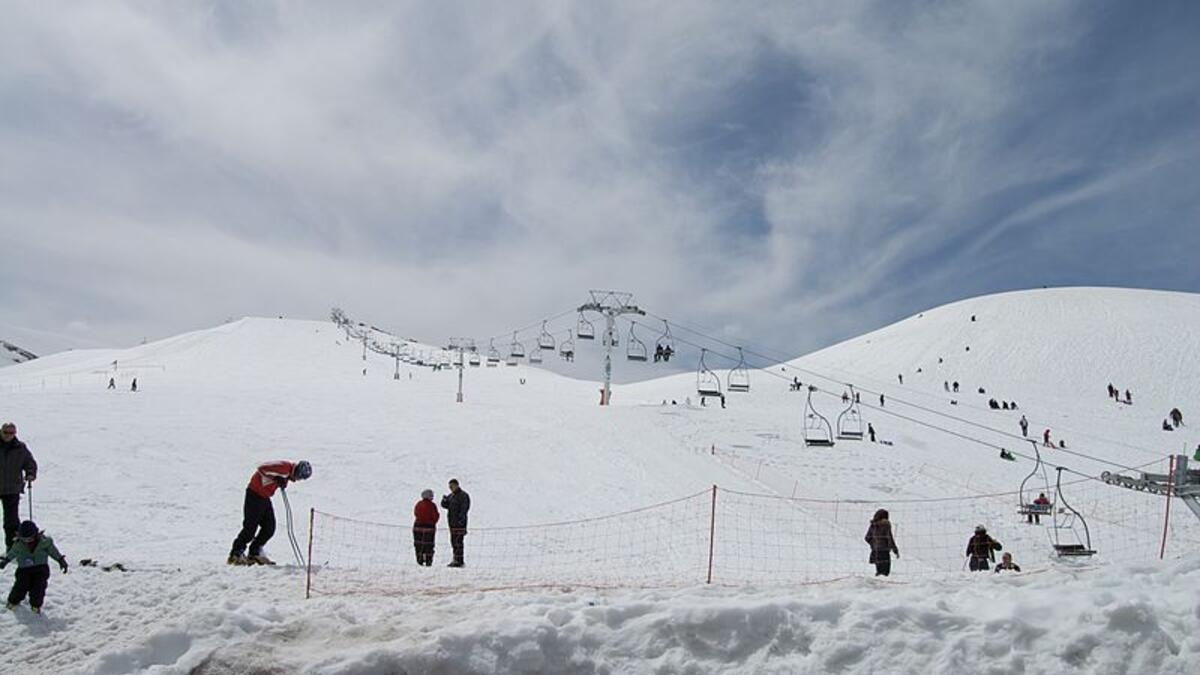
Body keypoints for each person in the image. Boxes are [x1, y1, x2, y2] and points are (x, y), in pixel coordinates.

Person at [228, 460, 313, 565]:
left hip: (264, 498)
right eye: (299, 477)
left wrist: (279, 480)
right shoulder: (284, 467)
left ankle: (255, 552)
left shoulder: (287, 474)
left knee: (269, 528)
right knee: (250, 528)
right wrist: (276, 478)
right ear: (298, 471)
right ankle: (236, 553)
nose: (297, 480)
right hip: (254, 495)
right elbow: (261, 468)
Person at [0, 520, 67, 613]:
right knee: (20, 586)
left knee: (39, 589)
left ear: (36, 534)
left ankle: (35, 605)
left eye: (29, 538)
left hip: (41, 569)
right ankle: (13, 601)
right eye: (24, 539)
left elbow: (53, 551)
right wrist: (6, 561)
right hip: (24, 570)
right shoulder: (18, 544)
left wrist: (61, 560)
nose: (27, 541)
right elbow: (13, 553)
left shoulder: (45, 542)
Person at [0, 422, 37, 549]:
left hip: (12, 489)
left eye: (11, 433)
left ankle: (12, 548)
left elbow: (30, 463)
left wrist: (30, 474)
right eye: (6, 432)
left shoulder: (20, 448)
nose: (8, 435)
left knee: (11, 522)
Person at [441, 479, 470, 568]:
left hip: (459, 523)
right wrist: (444, 501)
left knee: (458, 542)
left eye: (452, 486)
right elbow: (446, 506)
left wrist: (461, 519)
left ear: (456, 485)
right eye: (449, 487)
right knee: (453, 541)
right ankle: (455, 559)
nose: (450, 488)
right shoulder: (451, 496)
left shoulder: (463, 495)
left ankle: (459, 560)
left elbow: (464, 508)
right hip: (452, 523)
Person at [864, 509, 899, 576]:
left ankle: (877, 585)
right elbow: (889, 538)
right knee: (885, 572)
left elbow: (867, 538)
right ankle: (882, 585)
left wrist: (873, 544)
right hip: (884, 551)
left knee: (879, 571)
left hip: (875, 551)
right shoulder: (885, 525)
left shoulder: (873, 525)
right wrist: (894, 549)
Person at [413, 489, 439, 566]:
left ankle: (419, 559)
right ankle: (428, 560)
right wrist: (433, 521)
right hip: (429, 528)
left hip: (418, 527)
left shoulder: (418, 504)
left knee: (419, 544)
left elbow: (416, 513)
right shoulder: (432, 505)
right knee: (429, 545)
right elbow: (435, 516)